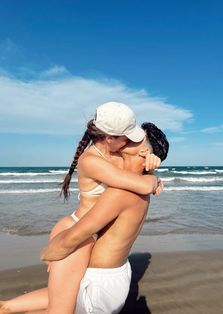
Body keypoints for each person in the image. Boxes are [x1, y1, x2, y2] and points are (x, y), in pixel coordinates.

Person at [0, 102, 162, 314]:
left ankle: (6, 307)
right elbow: (139, 184)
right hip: (79, 231)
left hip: (91, 232)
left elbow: (135, 173)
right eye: (127, 136)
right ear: (109, 137)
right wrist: (153, 180)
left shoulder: (118, 154)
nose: (130, 140)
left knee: (65, 295)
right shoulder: (91, 160)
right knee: (61, 310)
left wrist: (151, 164)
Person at [40, 122, 169, 314]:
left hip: (100, 280)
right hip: (110, 271)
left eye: (135, 138)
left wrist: (46, 255)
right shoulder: (134, 182)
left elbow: (72, 238)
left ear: (143, 151)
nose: (127, 138)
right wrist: (152, 175)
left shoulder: (122, 191)